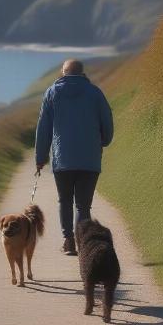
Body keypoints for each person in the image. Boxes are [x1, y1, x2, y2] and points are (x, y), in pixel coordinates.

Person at [35, 59, 114, 255]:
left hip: (63, 159)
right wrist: (102, 142)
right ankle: (83, 242)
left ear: (63, 72)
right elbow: (107, 123)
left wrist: (40, 156)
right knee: (83, 205)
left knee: (64, 200)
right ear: (82, 73)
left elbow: (43, 128)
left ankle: (68, 241)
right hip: (90, 158)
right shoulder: (95, 93)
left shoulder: (52, 93)